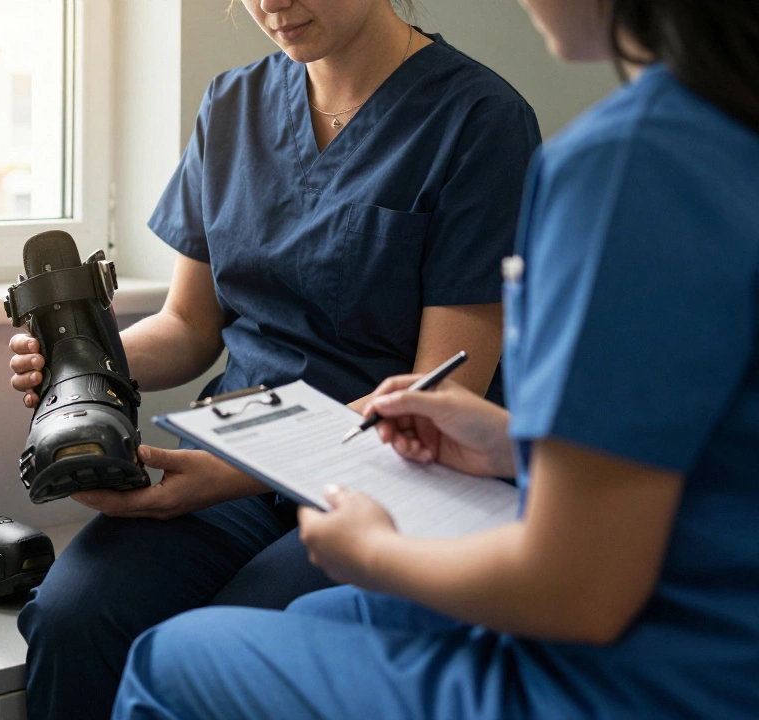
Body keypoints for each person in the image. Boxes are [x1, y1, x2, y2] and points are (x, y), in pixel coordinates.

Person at [110, 0, 759, 717]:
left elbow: (581, 591)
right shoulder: (718, 137)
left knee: (174, 660)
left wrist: (375, 555)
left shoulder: (618, 164)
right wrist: (517, 448)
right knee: (269, 622)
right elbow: (712, 438)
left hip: (661, 669)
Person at [9, 0, 542, 716]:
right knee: (72, 619)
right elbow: (188, 327)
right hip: (236, 461)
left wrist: (222, 478)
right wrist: (84, 366)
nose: (272, 4)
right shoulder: (234, 103)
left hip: (387, 478)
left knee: (237, 645)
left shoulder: (479, 121)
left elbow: (434, 399)